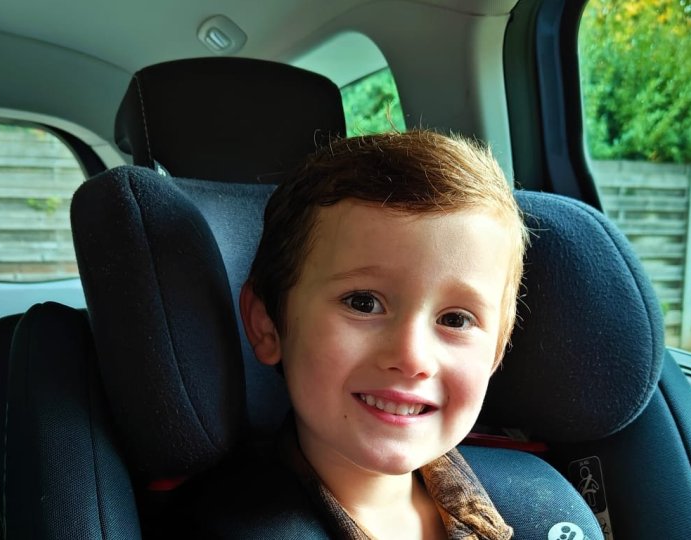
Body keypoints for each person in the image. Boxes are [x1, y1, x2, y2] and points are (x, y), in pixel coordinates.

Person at [181, 130, 528, 540]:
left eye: (455, 320)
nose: (412, 358)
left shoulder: (543, 507)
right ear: (267, 323)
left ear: (497, 350)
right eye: (363, 303)